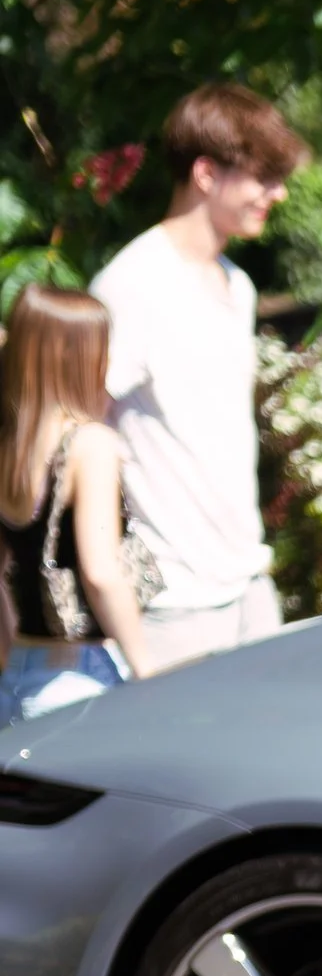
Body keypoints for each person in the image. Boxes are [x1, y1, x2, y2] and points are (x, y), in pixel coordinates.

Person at [92, 80, 306, 670]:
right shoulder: (130, 287)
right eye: (263, 177)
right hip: (173, 604)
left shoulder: (238, 284)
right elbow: (72, 433)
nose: (279, 194)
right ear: (207, 174)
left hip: (247, 582)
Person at [0, 285, 159, 723]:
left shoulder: (9, 448)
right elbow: (101, 572)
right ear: (80, 356)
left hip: (16, 679)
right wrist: (147, 670)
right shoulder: (89, 444)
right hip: (78, 680)